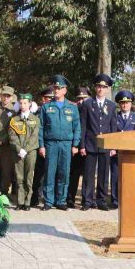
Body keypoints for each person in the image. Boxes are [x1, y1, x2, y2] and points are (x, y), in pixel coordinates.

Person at [39, 75, 81, 211]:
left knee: (64, 172)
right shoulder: (46, 107)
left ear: (65, 90)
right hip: (51, 144)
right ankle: (48, 201)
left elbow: (77, 127)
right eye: (55, 88)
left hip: (66, 144)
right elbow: (41, 127)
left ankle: (61, 200)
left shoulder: (72, 107)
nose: (56, 90)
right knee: (50, 173)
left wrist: (75, 145)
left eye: (59, 88)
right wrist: (41, 145)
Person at [79, 74, 118, 210]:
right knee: (89, 174)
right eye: (99, 86)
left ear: (108, 89)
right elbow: (83, 125)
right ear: (95, 88)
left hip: (106, 145)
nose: (101, 89)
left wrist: (113, 147)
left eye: (104, 87)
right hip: (90, 143)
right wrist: (82, 145)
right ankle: (87, 201)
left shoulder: (112, 105)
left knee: (103, 174)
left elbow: (113, 127)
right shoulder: (87, 103)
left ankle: (101, 200)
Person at [110, 91, 135, 208]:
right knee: (116, 177)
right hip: (117, 152)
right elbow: (111, 134)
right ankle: (115, 200)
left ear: (131, 104)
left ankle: (129, 200)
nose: (125, 105)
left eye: (127, 103)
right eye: (122, 103)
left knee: (130, 178)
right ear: (119, 104)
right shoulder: (114, 116)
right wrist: (112, 148)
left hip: (131, 153)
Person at [10, 95, 43, 210]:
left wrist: (26, 149)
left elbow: (35, 137)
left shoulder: (35, 120)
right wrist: (19, 150)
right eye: (21, 103)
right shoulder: (14, 120)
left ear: (30, 104)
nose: (23, 105)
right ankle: (20, 202)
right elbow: (12, 137)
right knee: (19, 177)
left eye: (25, 103)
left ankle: (27, 202)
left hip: (30, 152)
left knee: (29, 177)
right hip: (17, 152)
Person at [30, 86, 55, 207]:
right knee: (38, 174)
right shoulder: (37, 113)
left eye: (51, 98)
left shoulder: (55, 111)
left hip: (52, 145)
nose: (49, 100)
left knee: (51, 173)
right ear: (42, 99)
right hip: (38, 145)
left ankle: (49, 197)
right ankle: (35, 197)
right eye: (46, 98)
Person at [67, 87, 91, 208]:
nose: (81, 101)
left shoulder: (92, 110)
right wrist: (75, 145)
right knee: (73, 174)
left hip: (87, 147)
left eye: (84, 98)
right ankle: (70, 199)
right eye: (79, 99)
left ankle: (86, 200)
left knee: (88, 175)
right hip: (75, 148)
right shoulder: (72, 110)